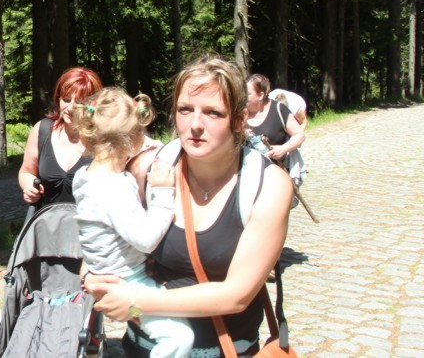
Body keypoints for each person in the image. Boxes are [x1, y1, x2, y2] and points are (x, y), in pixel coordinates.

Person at [85, 54, 294, 356]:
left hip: (225, 351)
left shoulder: (267, 185)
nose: (195, 124)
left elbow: (236, 295)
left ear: (238, 120)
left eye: (213, 113)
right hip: (146, 347)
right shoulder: (148, 169)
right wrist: (90, 275)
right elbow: (97, 234)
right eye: (185, 109)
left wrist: (137, 301)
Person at [72, 88, 194, 358]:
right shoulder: (111, 188)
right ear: (133, 140)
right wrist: (163, 192)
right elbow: (146, 239)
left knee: (147, 317)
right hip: (129, 286)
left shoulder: (86, 176)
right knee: (179, 337)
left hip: (109, 280)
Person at [18, 67, 103, 207]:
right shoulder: (42, 130)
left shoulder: (103, 138)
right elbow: (26, 172)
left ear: (94, 104)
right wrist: (29, 187)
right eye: (66, 100)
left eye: (80, 102)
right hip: (48, 218)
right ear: (58, 99)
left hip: (89, 220)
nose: (71, 108)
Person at [245, 74, 305, 164]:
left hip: (280, 169)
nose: (243, 96)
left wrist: (283, 149)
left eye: (247, 94)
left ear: (260, 95)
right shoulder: (239, 113)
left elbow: (299, 135)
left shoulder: (279, 109)